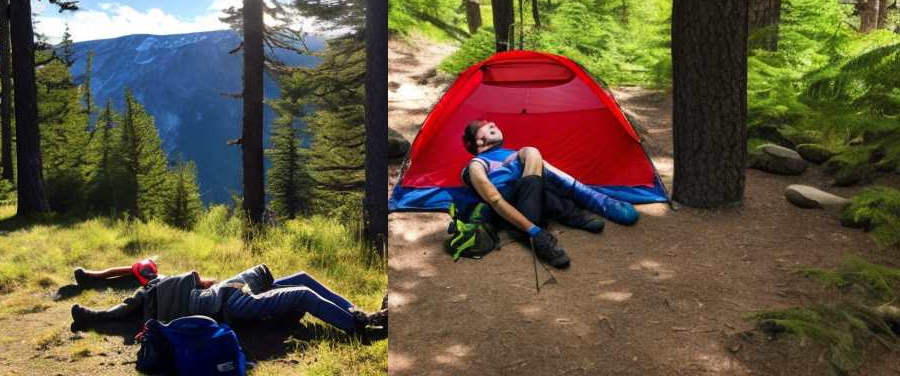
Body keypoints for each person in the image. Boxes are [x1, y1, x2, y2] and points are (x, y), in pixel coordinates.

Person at [460, 119, 640, 272]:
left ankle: (581, 208)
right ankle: (539, 234)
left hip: (532, 196)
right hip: (509, 209)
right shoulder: (477, 163)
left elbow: (556, 176)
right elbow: (494, 199)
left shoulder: (518, 153)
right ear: (479, 142)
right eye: (484, 125)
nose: (492, 123)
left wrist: (525, 158)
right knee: (533, 161)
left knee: (533, 156)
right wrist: (535, 231)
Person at [69, 263, 386, 340]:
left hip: (234, 291)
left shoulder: (160, 287)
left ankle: (363, 315)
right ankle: (359, 330)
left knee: (301, 277)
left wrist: (92, 314)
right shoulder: (151, 297)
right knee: (302, 293)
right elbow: (122, 310)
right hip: (230, 305)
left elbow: (121, 308)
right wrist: (91, 316)